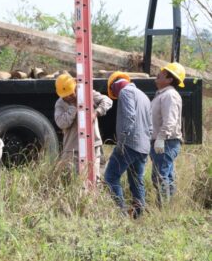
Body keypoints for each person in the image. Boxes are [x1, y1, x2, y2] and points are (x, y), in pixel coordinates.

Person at [104, 72, 152, 218]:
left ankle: (121, 213)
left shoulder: (125, 92)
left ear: (114, 86)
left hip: (129, 145)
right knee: (137, 181)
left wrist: (121, 143)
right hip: (143, 146)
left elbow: (130, 117)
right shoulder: (143, 95)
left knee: (111, 177)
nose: (116, 96)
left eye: (113, 93)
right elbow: (150, 125)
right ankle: (138, 215)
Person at [54, 73, 112, 181]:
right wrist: (73, 108)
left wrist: (96, 112)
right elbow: (61, 123)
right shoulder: (60, 104)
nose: (68, 97)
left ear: (75, 87)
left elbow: (108, 101)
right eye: (65, 95)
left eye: (71, 94)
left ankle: (94, 197)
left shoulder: (88, 94)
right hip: (72, 148)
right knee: (71, 179)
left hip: (93, 144)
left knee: (94, 178)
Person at [150, 62, 185, 207]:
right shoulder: (163, 94)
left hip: (166, 142)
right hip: (165, 141)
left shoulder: (169, 95)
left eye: (163, 73)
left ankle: (162, 209)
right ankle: (167, 208)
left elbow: (170, 121)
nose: (159, 73)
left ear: (170, 79)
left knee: (160, 177)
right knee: (166, 176)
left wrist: (160, 138)